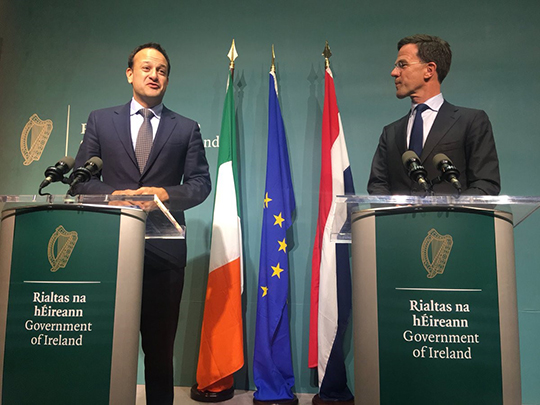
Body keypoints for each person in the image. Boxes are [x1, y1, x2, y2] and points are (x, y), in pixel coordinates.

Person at [73, 42, 211, 404]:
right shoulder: (101, 121)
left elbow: (200, 184)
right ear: (130, 73)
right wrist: (116, 195)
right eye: (147, 68)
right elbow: (79, 181)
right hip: (110, 251)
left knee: (160, 354)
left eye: (162, 70)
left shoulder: (186, 128)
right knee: (105, 346)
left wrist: (164, 194)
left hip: (164, 256)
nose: (154, 75)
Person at [367, 34, 501, 195]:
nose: (394, 73)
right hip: (398, 220)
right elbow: (378, 184)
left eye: (402, 65)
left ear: (429, 70)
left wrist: (453, 213)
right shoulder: (391, 132)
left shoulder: (470, 122)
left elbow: (485, 183)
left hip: (453, 219)